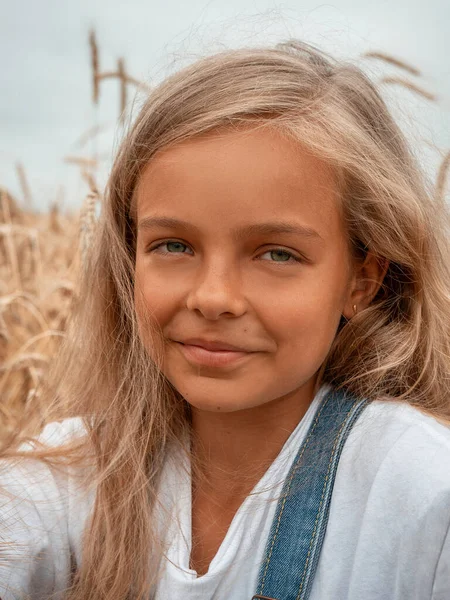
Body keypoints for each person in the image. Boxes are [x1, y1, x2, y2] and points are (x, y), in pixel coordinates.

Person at [1, 39, 449, 600]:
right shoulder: (71, 477)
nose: (213, 298)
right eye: (173, 245)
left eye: (277, 254)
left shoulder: (422, 496)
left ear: (361, 280)